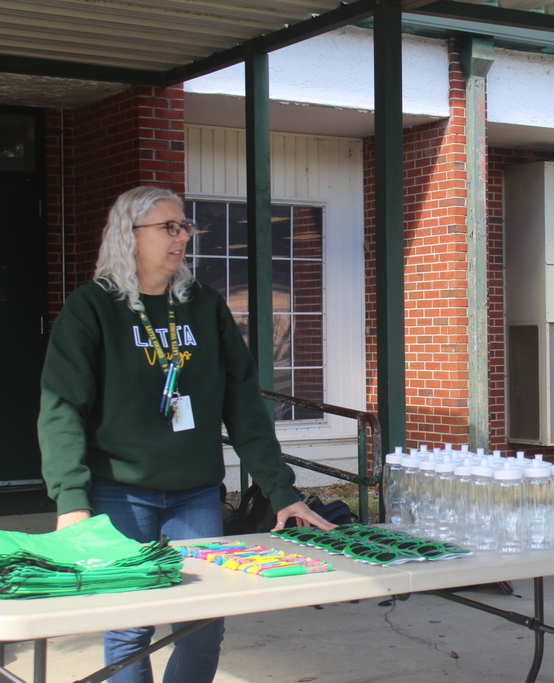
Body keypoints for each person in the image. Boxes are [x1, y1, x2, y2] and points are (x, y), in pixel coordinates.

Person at [37, 186, 335, 683]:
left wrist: (281, 490)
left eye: (185, 228)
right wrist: (71, 499)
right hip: (119, 491)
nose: (182, 238)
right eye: (169, 227)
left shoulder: (203, 304)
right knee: (129, 627)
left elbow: (243, 402)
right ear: (128, 236)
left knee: (202, 625)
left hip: (194, 493)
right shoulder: (92, 308)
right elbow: (61, 406)